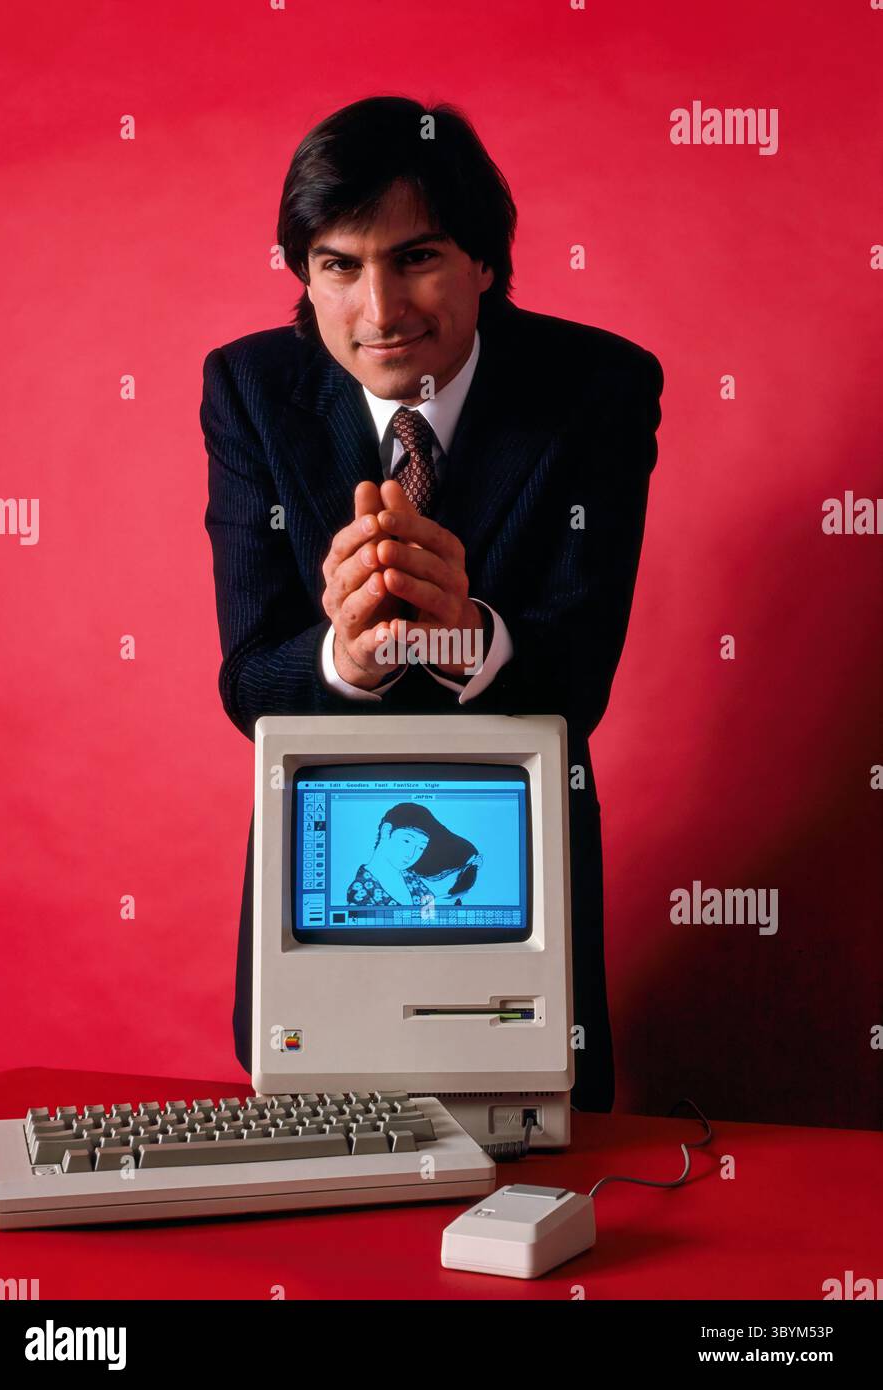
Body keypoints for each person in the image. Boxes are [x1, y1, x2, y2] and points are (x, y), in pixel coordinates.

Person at [200, 95, 664, 1112]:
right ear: (304, 275)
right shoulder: (245, 388)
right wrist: (344, 659)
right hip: (316, 881)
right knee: (323, 1204)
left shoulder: (600, 388)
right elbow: (248, 680)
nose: (379, 310)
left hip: (525, 889)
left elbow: (576, 679)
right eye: (338, 264)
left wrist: (463, 630)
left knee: (529, 1192)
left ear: (484, 262)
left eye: (415, 258)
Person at [347, 802, 482, 907]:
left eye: (421, 847)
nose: (411, 854)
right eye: (407, 841)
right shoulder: (360, 890)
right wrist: (433, 909)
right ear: (386, 831)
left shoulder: (409, 877)